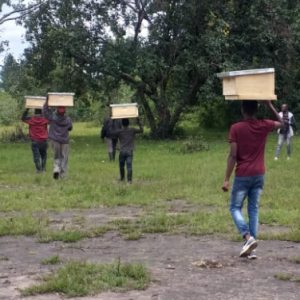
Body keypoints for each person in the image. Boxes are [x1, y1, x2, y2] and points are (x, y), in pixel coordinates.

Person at [222, 101, 283, 259]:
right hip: (259, 174)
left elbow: (233, 155)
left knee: (235, 207)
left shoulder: (236, 128)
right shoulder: (263, 125)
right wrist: (269, 105)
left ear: (243, 110)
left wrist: (226, 179)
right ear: (256, 110)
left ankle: (248, 238)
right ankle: (252, 249)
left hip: (243, 175)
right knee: (253, 209)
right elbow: (282, 124)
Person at [43, 98, 73, 180]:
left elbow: (45, 112)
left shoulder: (53, 117)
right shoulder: (68, 119)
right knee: (64, 157)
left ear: (57, 110)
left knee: (57, 156)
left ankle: (56, 169)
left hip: (55, 140)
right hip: (65, 141)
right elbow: (70, 128)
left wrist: (47, 100)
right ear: (65, 111)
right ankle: (63, 176)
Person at [109, 118, 143, 183]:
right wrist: (138, 121)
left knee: (121, 165)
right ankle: (129, 180)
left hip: (122, 150)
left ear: (122, 124)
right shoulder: (132, 130)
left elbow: (111, 132)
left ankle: (122, 178)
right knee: (129, 166)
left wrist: (112, 121)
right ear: (128, 123)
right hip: (130, 150)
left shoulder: (119, 131)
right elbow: (141, 130)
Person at [21, 108, 50, 173]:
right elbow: (51, 120)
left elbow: (23, 118)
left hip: (34, 140)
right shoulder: (45, 119)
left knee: (36, 156)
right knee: (44, 155)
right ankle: (43, 169)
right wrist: (48, 110)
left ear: (34, 112)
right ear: (41, 112)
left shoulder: (31, 119)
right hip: (43, 140)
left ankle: (38, 170)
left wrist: (27, 109)